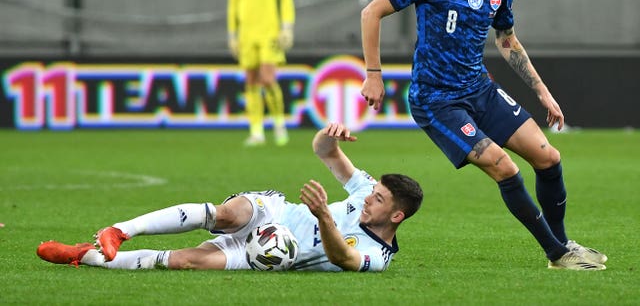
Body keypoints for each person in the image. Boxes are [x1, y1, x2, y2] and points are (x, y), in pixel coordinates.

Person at [360, 0, 607, 271]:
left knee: (549, 158)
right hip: (437, 100)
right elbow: (371, 12)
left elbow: (506, 40)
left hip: (480, 90)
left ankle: (562, 243)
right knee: (504, 167)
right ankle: (556, 254)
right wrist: (374, 73)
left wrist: (541, 90)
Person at [36, 123, 423, 272]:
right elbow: (325, 152)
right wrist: (329, 135)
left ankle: (82, 255)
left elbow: (342, 257)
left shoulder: (379, 258)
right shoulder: (364, 189)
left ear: (396, 216)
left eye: (379, 199)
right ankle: (120, 230)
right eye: (373, 192)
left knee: (186, 262)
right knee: (229, 214)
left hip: (271, 255)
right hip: (274, 212)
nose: (370, 197)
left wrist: (323, 214)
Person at [226, 0, 295, 147]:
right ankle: (256, 130)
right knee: (251, 81)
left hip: (269, 31)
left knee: (267, 78)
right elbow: (233, 3)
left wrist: (287, 27)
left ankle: (279, 124)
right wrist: (232, 34)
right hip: (247, 33)